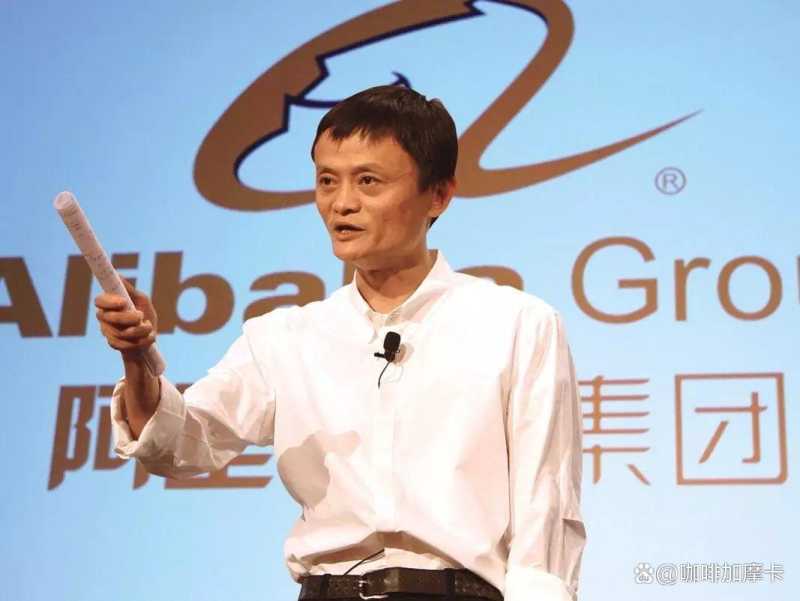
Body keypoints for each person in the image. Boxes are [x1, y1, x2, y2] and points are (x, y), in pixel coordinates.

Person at [96, 85, 587, 601]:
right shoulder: (283, 337)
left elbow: (546, 510)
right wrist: (138, 362)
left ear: (439, 195)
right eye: (327, 181)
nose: (342, 203)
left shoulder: (516, 324)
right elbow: (180, 446)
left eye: (368, 181)